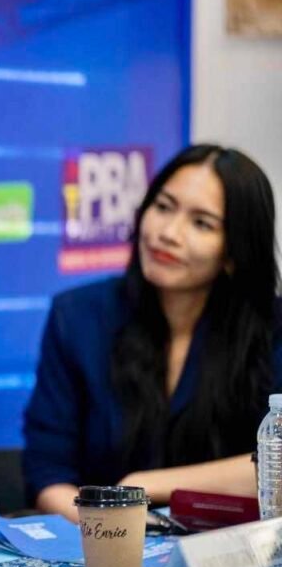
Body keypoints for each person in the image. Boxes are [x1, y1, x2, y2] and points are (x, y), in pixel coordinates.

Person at [23, 144, 282, 521]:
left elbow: (277, 462)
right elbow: (47, 472)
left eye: (201, 223)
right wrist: (108, 524)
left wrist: (143, 485)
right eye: (163, 207)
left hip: (234, 556)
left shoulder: (272, 327)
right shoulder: (78, 317)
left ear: (234, 252)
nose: (168, 233)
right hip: (101, 548)